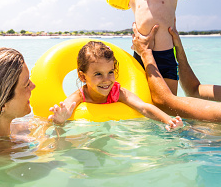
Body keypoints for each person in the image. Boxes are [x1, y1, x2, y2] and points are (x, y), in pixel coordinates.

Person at [48, 41, 183, 130]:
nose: (106, 80)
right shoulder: (79, 96)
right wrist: (59, 119)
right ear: (83, 77)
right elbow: (64, 111)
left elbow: (144, 107)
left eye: (110, 72)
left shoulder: (117, 92)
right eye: (98, 74)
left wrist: (169, 120)